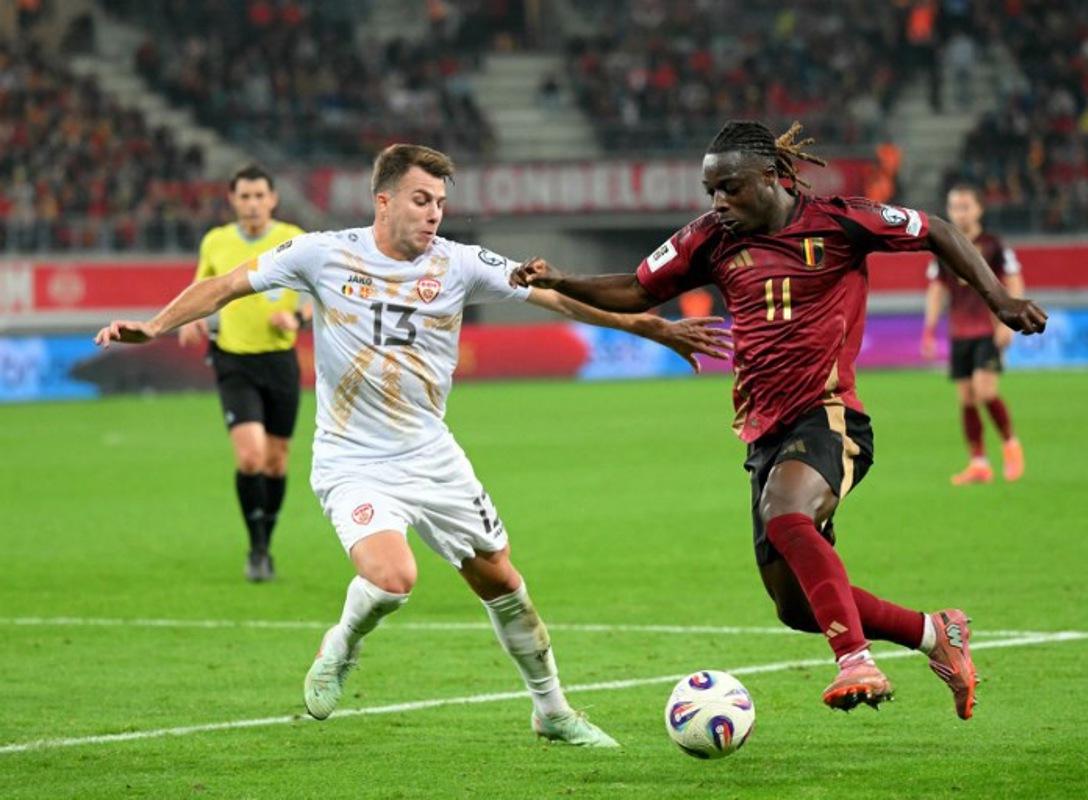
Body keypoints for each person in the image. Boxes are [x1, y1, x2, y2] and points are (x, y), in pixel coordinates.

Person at [95, 143, 730, 746]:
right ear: (384, 200)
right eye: (422, 200)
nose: (434, 214)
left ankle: (553, 711)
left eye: (440, 204)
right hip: (353, 459)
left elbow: (557, 297)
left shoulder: (459, 262)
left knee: (504, 582)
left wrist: (647, 323)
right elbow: (227, 284)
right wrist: (155, 326)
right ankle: (342, 643)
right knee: (395, 578)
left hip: (433, 456)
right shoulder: (321, 253)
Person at [510, 120, 1048, 718]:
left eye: (730, 188)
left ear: (770, 177)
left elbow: (936, 229)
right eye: (710, 190)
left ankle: (856, 660)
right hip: (763, 432)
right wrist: (563, 280)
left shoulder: (842, 220)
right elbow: (638, 290)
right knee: (795, 607)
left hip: (829, 415)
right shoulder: (709, 238)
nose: (718, 202)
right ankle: (933, 633)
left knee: (786, 512)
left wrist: (999, 298)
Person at [179, 165, 307, 582]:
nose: (252, 204)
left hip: (279, 361)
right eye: (244, 196)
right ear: (233, 200)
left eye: (259, 196)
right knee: (250, 455)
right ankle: (256, 548)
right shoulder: (216, 242)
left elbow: (315, 296)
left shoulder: (294, 239)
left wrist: (297, 318)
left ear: (272, 199)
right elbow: (203, 289)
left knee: (275, 461)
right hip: (233, 359)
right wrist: (189, 319)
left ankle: (266, 541)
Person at [922, 184, 1025, 484]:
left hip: (988, 330)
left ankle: (1010, 443)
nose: (960, 212)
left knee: (985, 391)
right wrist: (928, 330)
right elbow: (937, 289)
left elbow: (1014, 280)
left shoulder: (994, 245)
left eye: (966, 206)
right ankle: (979, 463)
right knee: (966, 398)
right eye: (955, 207)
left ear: (979, 209)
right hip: (959, 332)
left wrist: (1010, 321)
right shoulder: (944, 245)